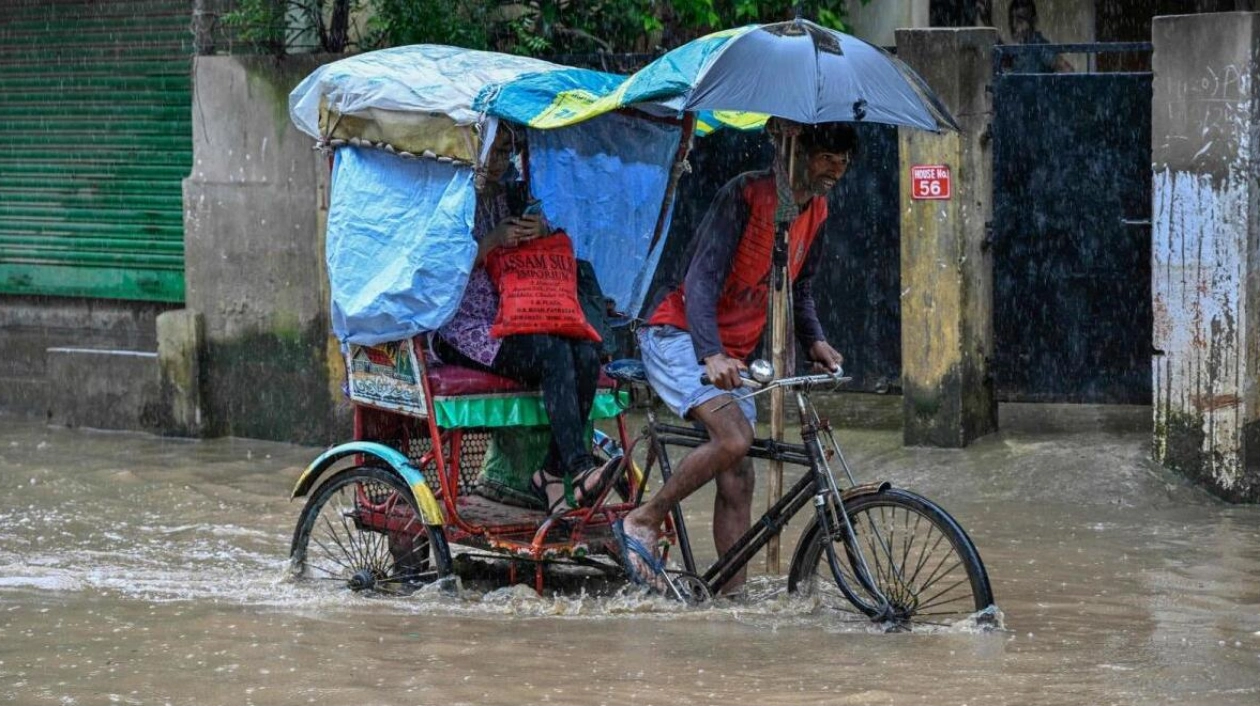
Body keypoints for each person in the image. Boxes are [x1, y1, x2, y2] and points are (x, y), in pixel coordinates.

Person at [613, 120, 855, 595]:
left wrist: (816, 341)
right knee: (735, 437)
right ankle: (643, 518)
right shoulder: (746, 194)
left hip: (734, 353)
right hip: (680, 335)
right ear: (798, 150)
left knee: (740, 477)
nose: (836, 170)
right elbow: (701, 279)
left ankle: (732, 597)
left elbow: (800, 289)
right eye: (828, 157)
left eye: (844, 162)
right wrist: (710, 353)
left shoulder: (815, 211)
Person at [432, 125, 617, 515]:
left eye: (505, 153)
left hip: (517, 314)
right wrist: (493, 241)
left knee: (585, 351)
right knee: (552, 353)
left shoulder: (512, 193)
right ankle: (579, 467)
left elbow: (545, 251)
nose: (501, 162)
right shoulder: (450, 199)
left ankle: (551, 472)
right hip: (464, 327)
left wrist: (541, 230)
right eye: (494, 153)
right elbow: (437, 272)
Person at [1005, 0, 1073, 74]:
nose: (1014, 25)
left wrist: (1049, 84)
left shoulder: (1041, 47)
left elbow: (1068, 71)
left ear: (1033, 21)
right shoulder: (1016, 51)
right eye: (1011, 20)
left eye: (1020, 20)